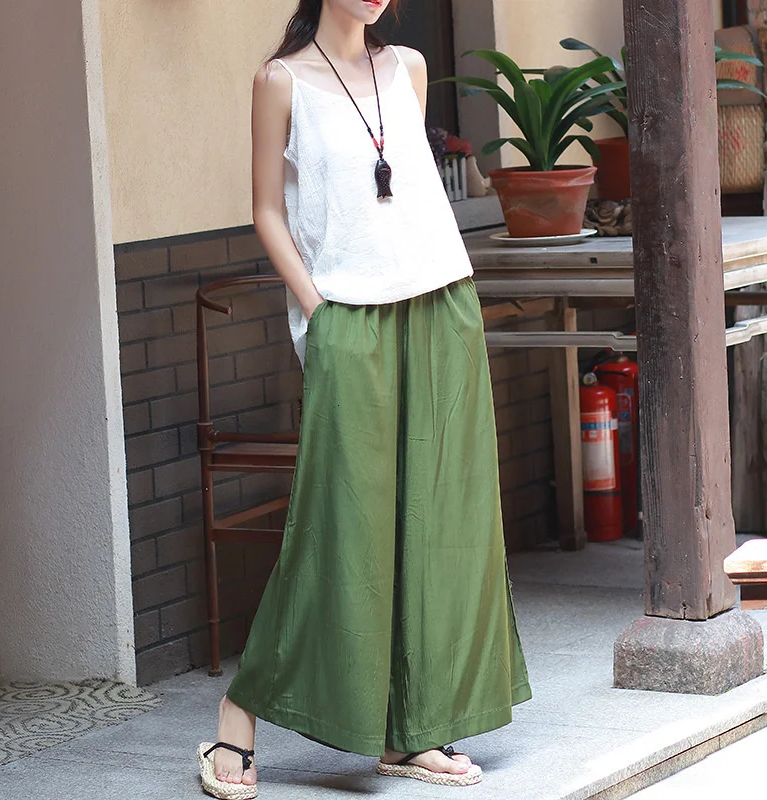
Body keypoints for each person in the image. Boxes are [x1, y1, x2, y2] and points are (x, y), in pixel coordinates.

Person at [196, 1, 532, 797]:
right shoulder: (281, 81)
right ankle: (240, 710)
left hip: (439, 303)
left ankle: (414, 732)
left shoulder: (407, 67)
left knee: (441, 526)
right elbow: (266, 209)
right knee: (338, 526)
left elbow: (409, 198)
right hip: (349, 317)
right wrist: (318, 311)